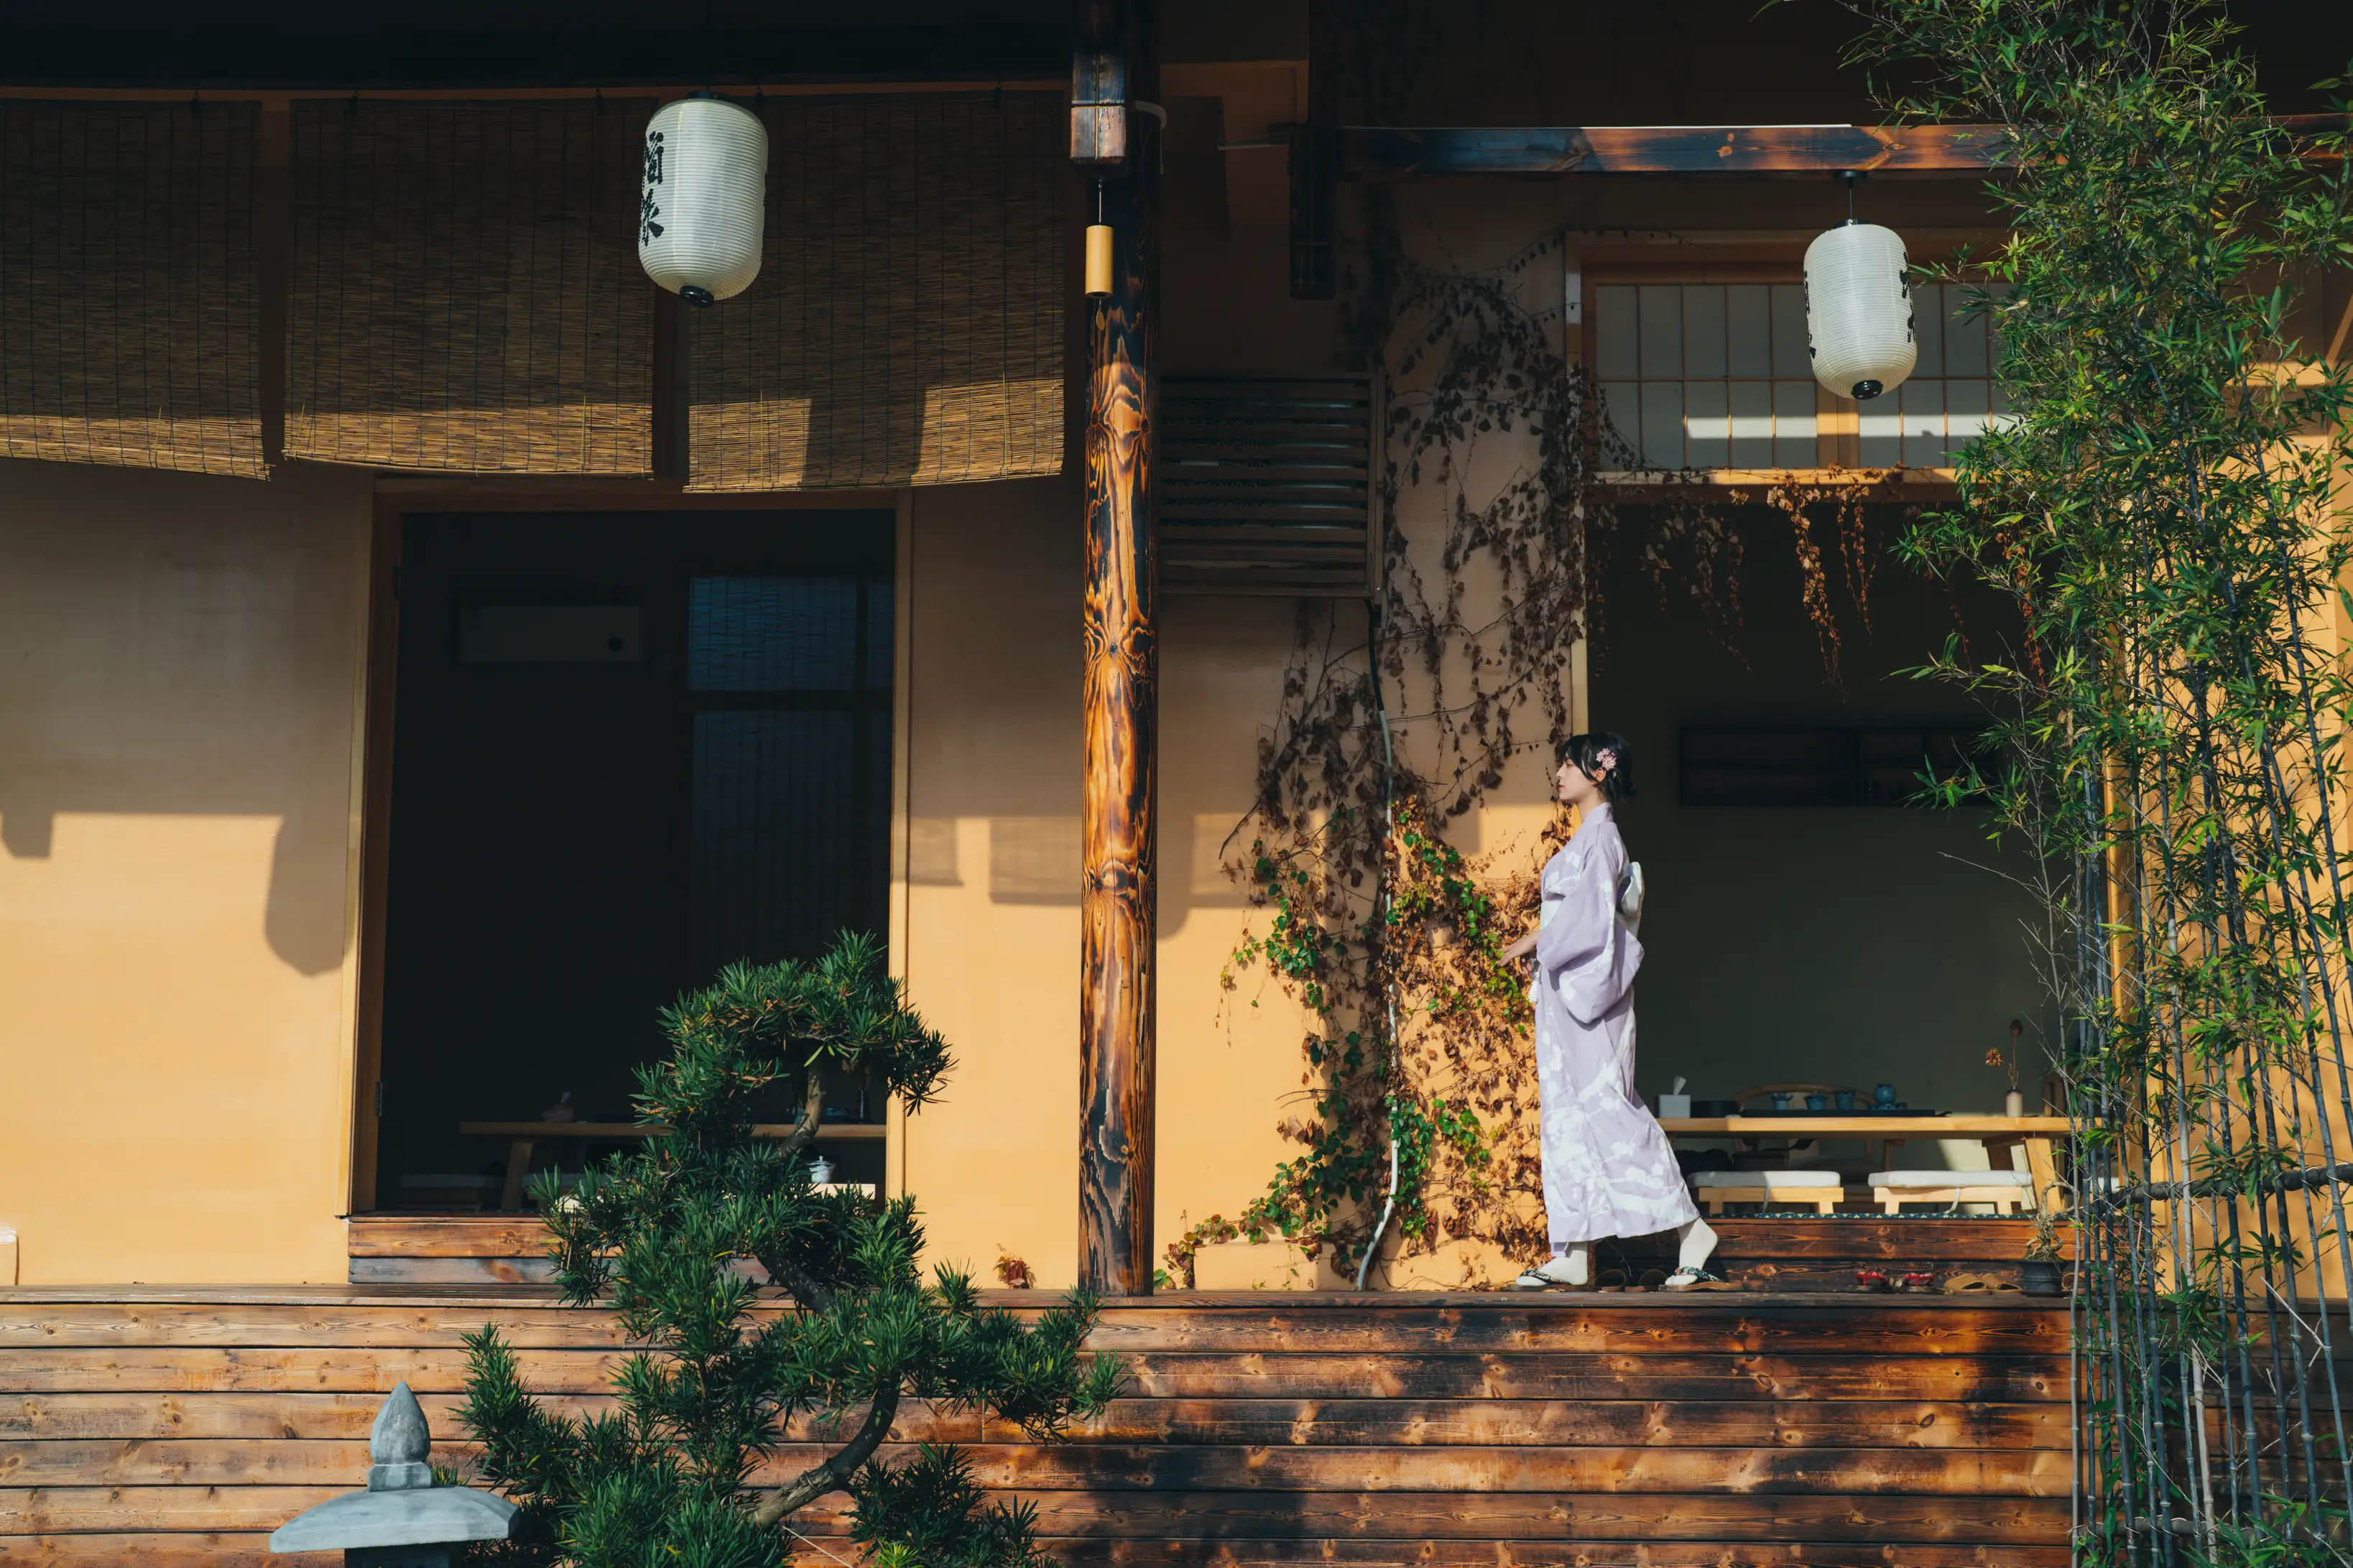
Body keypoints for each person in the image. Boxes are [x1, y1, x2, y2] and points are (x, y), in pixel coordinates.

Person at [1500, 732, 1728, 1291]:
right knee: (1567, 1115)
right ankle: (1574, 1250)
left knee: (1609, 1109)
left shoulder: (1603, 841)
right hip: (1564, 996)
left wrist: (1537, 941)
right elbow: (1579, 915)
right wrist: (1541, 943)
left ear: (1597, 773)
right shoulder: (1587, 841)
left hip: (1587, 997)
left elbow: (1592, 921)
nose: (1558, 772)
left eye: (1568, 763)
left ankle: (1692, 1232)